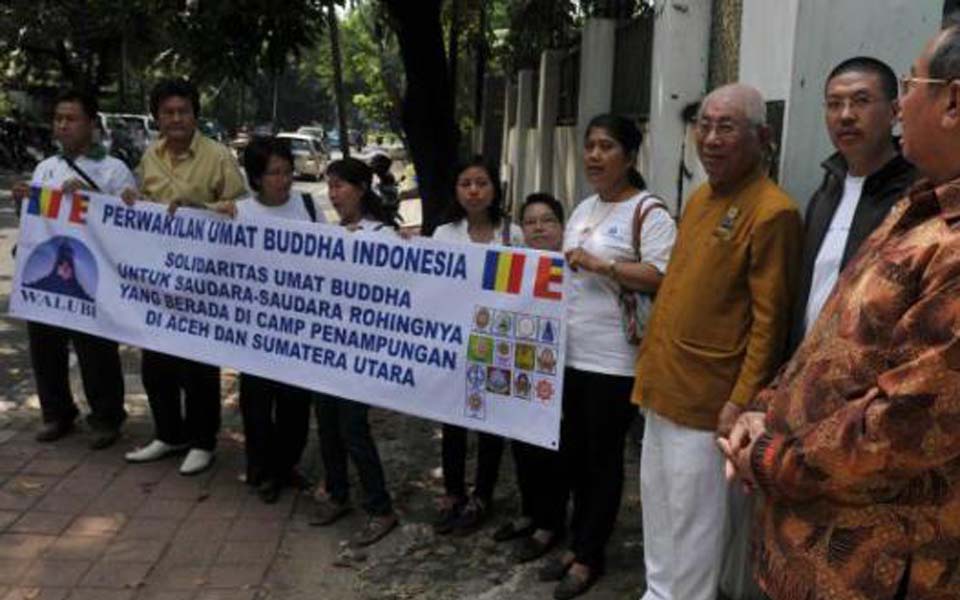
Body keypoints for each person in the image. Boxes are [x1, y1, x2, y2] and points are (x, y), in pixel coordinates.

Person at [721, 26, 960, 600]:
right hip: (806, 547)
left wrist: (771, 456)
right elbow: (829, 333)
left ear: (952, 102)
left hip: (874, 567)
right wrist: (763, 409)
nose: (902, 105)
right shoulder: (917, 207)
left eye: (907, 86)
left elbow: (906, 423)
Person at [634, 85, 802, 600]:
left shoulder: (773, 212)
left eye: (726, 127)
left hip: (710, 403)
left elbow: (770, 324)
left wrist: (740, 400)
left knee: (696, 534)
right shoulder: (703, 196)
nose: (710, 138)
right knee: (659, 517)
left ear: (762, 137)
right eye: (704, 125)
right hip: (663, 387)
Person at [540, 114, 676, 600]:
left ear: (631, 157)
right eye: (590, 146)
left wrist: (604, 265)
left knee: (601, 460)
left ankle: (590, 556)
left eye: (607, 146)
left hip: (615, 363)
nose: (595, 155)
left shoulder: (649, 212)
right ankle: (580, 540)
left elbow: (663, 277)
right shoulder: (583, 210)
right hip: (571, 356)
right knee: (572, 455)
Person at [122, 78, 247, 476]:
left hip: (203, 279)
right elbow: (144, 207)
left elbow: (241, 209)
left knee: (197, 365)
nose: (176, 119)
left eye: (183, 111)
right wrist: (132, 204)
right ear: (157, 117)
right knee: (156, 361)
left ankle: (203, 441)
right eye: (168, 112)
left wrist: (201, 208)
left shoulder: (218, 156)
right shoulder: (149, 158)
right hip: (158, 280)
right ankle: (168, 434)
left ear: (195, 115)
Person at [10, 89, 134, 449]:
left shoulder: (114, 169)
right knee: (45, 346)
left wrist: (92, 196)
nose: (63, 125)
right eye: (58, 119)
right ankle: (57, 412)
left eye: (71, 118)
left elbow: (129, 223)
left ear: (91, 125)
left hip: (92, 274)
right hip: (48, 270)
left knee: (95, 348)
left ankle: (107, 417)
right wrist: (25, 201)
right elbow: (35, 224)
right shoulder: (45, 168)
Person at [211, 137, 317, 503]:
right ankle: (263, 469)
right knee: (257, 404)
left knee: (296, 404)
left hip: (298, 325)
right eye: (274, 173)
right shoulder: (239, 212)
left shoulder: (308, 205)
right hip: (255, 328)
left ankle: (287, 465)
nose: (284, 180)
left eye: (288, 172)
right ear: (255, 177)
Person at [787, 57, 915, 355]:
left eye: (861, 101)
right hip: (806, 374)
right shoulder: (826, 193)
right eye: (834, 104)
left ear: (895, 111)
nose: (845, 115)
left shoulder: (914, 194)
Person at [309, 157, 399, 547]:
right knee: (326, 424)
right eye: (329, 186)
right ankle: (338, 493)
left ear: (361, 189)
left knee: (353, 429)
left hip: (360, 353)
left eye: (340, 186)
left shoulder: (384, 237)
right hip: (327, 348)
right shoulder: (328, 233)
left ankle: (380, 508)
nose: (333, 194)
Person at [431, 157, 523, 537]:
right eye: (466, 183)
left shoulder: (512, 234)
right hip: (455, 344)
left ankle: (482, 495)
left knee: (490, 424)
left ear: (494, 189)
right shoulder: (443, 234)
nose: (473, 190)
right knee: (452, 423)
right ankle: (453, 493)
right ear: (456, 189)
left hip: (497, 345)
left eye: (481, 183)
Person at [492, 193, 569, 564]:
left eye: (548, 220)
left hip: (561, 376)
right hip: (518, 369)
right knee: (521, 448)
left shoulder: (574, 267)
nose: (539, 227)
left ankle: (550, 524)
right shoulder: (513, 262)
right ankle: (530, 512)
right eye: (531, 221)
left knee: (550, 452)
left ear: (562, 227)